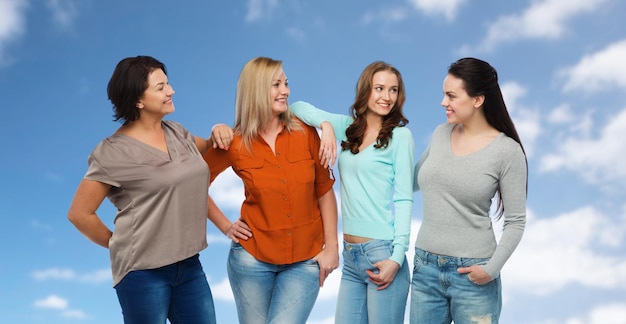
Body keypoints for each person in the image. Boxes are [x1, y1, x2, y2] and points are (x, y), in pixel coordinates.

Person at [67, 56, 217, 324]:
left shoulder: (178, 133)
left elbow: (210, 146)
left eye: (168, 84)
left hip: (190, 265)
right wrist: (117, 244)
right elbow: (80, 213)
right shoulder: (111, 152)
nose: (171, 91)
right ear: (138, 100)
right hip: (143, 273)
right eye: (160, 87)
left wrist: (219, 131)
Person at [203, 56, 339, 324]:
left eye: (286, 83)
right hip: (251, 260)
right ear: (256, 89)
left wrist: (332, 247)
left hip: (305, 260)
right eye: (276, 84)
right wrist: (225, 226)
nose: (285, 90)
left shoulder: (306, 133)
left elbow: (324, 190)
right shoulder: (234, 142)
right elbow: (193, 185)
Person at [289, 61, 414, 323]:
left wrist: (397, 258)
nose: (386, 97)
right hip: (352, 256)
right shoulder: (347, 128)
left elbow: (403, 197)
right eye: (379, 88)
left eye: (393, 90)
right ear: (365, 90)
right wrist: (324, 126)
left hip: (383, 253)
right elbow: (297, 108)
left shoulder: (400, 137)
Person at [409, 57, 528, 324]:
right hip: (425, 268)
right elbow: (410, 182)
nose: (443, 102)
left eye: (451, 96)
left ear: (477, 100)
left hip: (473, 276)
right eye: (443, 94)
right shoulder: (441, 133)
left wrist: (491, 270)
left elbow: (516, 222)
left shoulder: (507, 151)